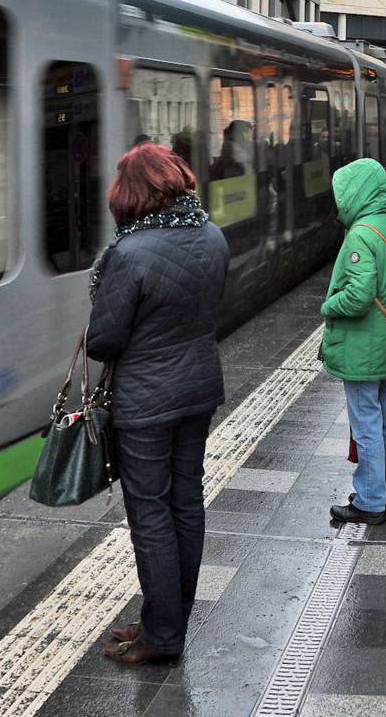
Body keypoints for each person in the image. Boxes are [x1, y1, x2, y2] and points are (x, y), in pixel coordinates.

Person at [87, 144, 228, 667]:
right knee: (186, 504)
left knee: (150, 514)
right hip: (199, 389)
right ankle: (165, 619)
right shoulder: (211, 235)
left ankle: (162, 636)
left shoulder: (129, 253)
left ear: (131, 193)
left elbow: (104, 340)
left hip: (146, 401)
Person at [320, 158, 386, 525]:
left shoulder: (360, 234)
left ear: (356, 192)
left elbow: (358, 295)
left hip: (362, 347)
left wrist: (329, 305)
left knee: (366, 424)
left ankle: (370, 502)